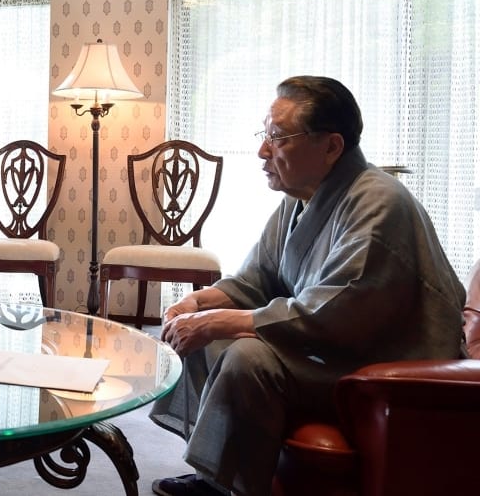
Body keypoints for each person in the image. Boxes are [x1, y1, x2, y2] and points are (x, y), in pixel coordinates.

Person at [149, 76, 466, 496]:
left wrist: (217, 321)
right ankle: (217, 476)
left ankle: (228, 489)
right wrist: (196, 303)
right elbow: (257, 278)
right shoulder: (299, 199)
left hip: (382, 369)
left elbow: (331, 313)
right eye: (265, 135)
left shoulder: (379, 203)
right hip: (331, 351)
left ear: (332, 146)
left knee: (245, 356)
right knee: (209, 335)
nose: (263, 151)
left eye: (278, 138)